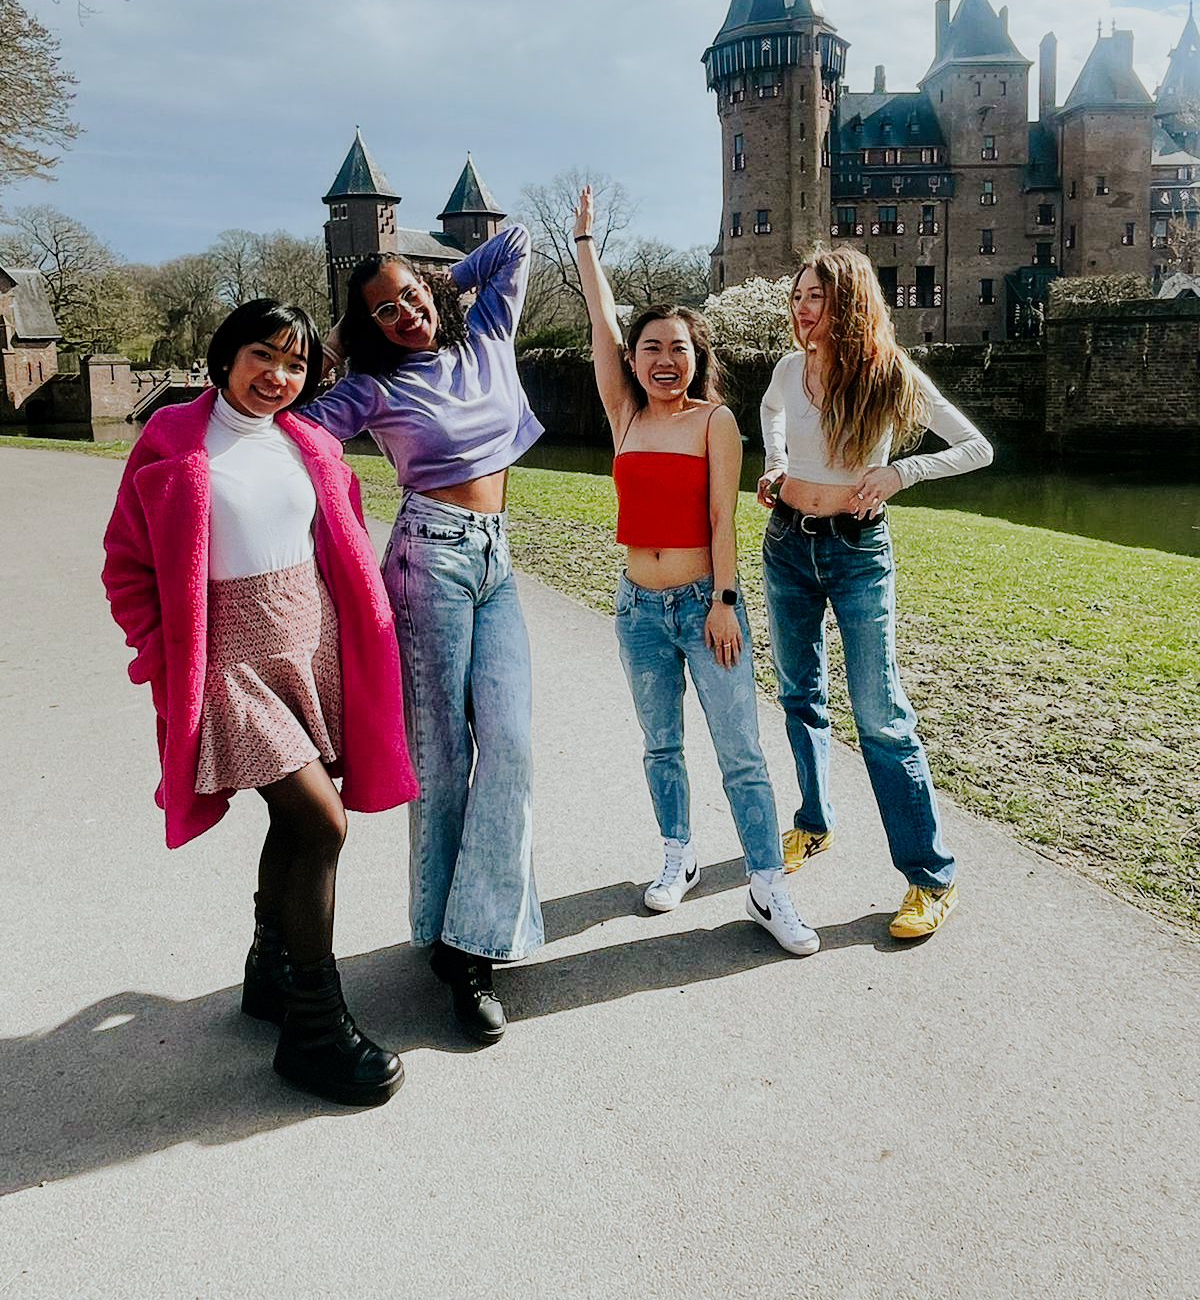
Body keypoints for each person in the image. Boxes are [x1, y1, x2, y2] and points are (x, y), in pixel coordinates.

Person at [102, 299, 417, 1106]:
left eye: (296, 364)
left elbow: (333, 543)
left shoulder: (307, 441)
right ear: (225, 355)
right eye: (263, 356)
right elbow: (125, 566)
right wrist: (163, 656)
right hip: (230, 662)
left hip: (308, 647)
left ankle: (270, 972)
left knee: (293, 821)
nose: (278, 376)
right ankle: (314, 1030)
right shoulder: (172, 438)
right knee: (321, 821)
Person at [302, 223, 545, 1043]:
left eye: (410, 297)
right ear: (366, 330)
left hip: (497, 559)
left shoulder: (486, 333)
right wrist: (335, 342)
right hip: (427, 560)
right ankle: (459, 953)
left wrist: (442, 283)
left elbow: (511, 244)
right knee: (441, 759)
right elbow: (299, 434)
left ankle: (469, 933)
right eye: (382, 312)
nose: (404, 315)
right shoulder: (375, 389)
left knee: (510, 745)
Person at [573, 186, 818, 956]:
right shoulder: (626, 414)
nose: (664, 359)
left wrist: (723, 600)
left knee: (740, 751)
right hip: (636, 609)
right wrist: (585, 249)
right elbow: (601, 324)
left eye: (679, 347)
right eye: (651, 347)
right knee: (661, 745)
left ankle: (766, 885)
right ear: (635, 359)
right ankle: (677, 854)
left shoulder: (714, 422)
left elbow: (722, 519)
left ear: (697, 355)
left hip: (703, 607)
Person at [757, 247, 993, 939]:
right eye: (797, 296)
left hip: (858, 554)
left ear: (849, 302)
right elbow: (773, 412)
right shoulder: (788, 369)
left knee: (881, 715)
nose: (801, 309)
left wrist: (900, 475)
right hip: (786, 545)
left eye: (815, 297)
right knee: (799, 695)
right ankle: (813, 824)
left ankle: (931, 877)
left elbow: (975, 446)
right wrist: (775, 464)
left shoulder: (890, 375)